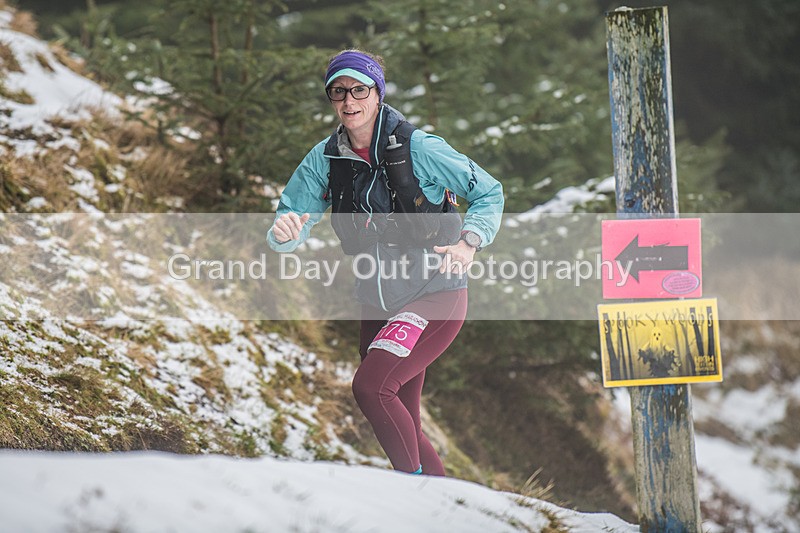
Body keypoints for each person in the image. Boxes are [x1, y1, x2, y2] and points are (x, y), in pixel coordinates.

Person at [267, 49, 503, 476]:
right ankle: (444, 506)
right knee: (403, 418)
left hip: (433, 294)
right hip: (376, 301)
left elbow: (489, 192)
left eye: (359, 89)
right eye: (338, 92)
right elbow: (292, 218)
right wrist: (284, 233)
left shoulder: (421, 149)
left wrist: (470, 242)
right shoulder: (324, 159)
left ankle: (411, 497)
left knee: (372, 388)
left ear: (377, 93)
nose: (348, 100)